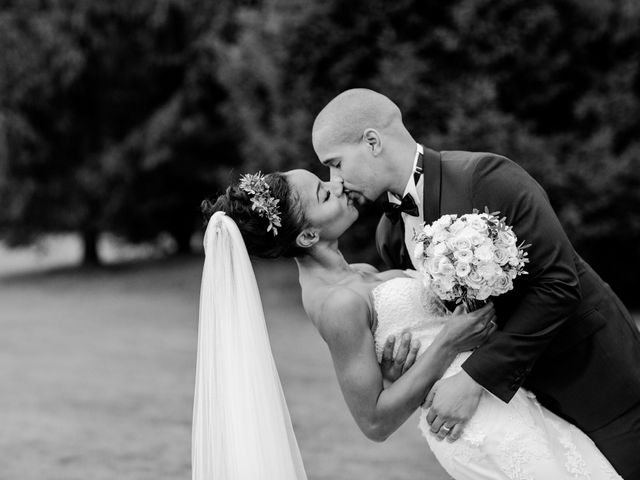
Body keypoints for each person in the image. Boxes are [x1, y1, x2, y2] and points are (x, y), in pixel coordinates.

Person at [194, 168, 621, 479]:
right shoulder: (338, 303)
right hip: (471, 426)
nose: (339, 185)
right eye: (325, 195)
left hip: (504, 399)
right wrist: (448, 344)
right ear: (307, 237)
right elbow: (374, 423)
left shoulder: (359, 272)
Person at [311, 88, 640, 478]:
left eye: (336, 163)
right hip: (519, 410)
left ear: (371, 141)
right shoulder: (390, 234)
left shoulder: (485, 178)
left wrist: (474, 379)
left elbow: (558, 284)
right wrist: (407, 371)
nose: (336, 180)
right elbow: (452, 324)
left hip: (595, 381)